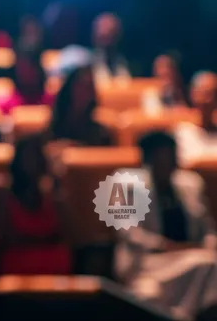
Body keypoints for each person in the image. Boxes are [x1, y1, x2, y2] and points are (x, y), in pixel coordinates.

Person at [115, 131, 217, 320]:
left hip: (194, 259)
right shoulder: (126, 183)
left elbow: (208, 230)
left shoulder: (191, 184)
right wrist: (166, 246)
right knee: (148, 296)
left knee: (210, 265)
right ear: (148, 159)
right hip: (149, 263)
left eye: (168, 157)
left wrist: (207, 245)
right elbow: (128, 231)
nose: (164, 163)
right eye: (159, 157)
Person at [0, 135, 72, 275]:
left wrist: (56, 184)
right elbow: (5, 237)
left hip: (52, 263)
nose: (31, 164)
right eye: (27, 157)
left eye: (36, 157)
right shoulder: (2, 193)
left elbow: (63, 232)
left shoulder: (52, 194)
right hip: (17, 261)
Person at [48, 64, 112, 147]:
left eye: (88, 87)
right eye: (81, 86)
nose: (84, 93)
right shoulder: (51, 129)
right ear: (69, 88)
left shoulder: (102, 134)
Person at [174, 71, 217, 165]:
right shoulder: (182, 132)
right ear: (192, 95)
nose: (210, 100)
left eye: (214, 94)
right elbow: (187, 163)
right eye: (205, 93)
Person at [0, 47, 53, 114]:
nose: (26, 73)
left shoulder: (52, 102)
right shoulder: (6, 104)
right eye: (22, 69)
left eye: (30, 68)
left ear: (38, 69)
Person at [91, 13, 131, 84]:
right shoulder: (83, 60)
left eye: (111, 33)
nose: (107, 35)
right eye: (103, 36)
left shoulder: (121, 62)